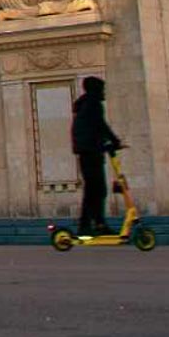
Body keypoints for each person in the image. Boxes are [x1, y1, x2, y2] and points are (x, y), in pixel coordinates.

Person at [71, 75, 122, 237]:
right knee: (96, 189)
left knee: (94, 189)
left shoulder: (85, 105)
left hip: (88, 152)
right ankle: (92, 224)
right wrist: (114, 141)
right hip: (91, 152)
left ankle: (94, 223)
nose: (104, 92)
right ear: (96, 89)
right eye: (102, 88)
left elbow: (94, 127)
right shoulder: (93, 104)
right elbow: (100, 124)